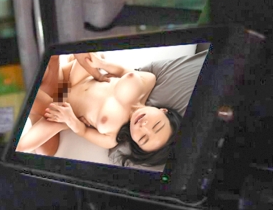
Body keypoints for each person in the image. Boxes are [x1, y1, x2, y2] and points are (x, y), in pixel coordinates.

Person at [17, 52, 181, 166]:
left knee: (25, 148)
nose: (143, 126)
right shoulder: (149, 81)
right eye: (156, 125)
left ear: (136, 144)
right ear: (163, 111)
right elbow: (123, 71)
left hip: (63, 107)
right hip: (76, 77)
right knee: (89, 55)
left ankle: (37, 107)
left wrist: (70, 120)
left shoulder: (112, 137)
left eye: (143, 138)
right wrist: (102, 64)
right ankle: (50, 74)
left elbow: (84, 131)